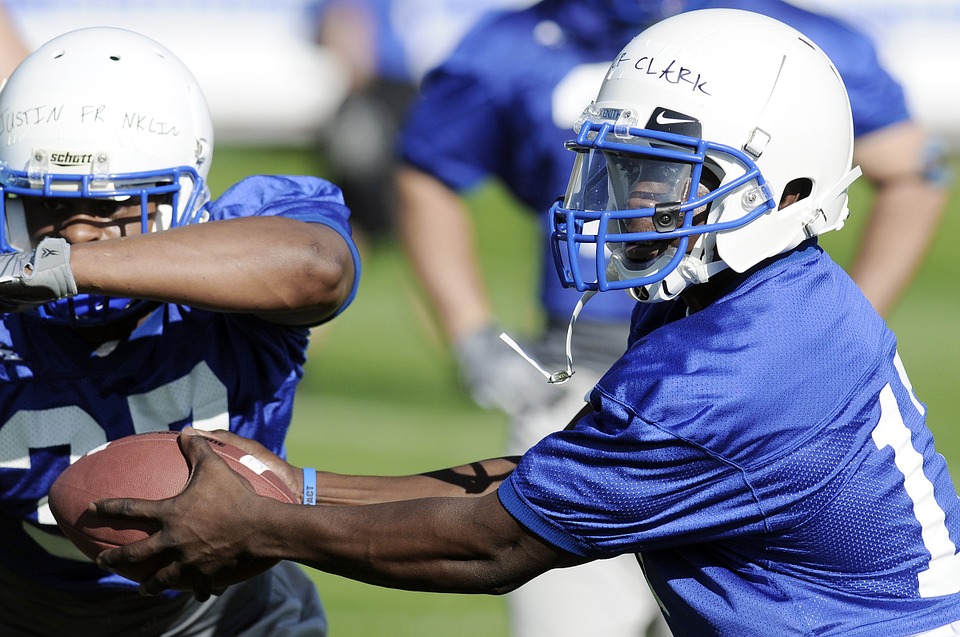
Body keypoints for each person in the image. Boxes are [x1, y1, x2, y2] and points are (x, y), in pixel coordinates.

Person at [93, 9, 960, 637]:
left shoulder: (736, 366)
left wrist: (265, 526)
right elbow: (539, 477)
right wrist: (299, 486)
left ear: (791, 188)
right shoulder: (746, 299)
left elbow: (494, 542)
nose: (624, 202)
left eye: (660, 177)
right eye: (618, 170)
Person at [395, 1, 948, 633]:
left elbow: (914, 168)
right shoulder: (517, 41)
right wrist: (470, 328)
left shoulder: (783, 48)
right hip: (584, 371)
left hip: (741, 393)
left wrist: (815, 347)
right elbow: (429, 169)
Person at [0, 26, 360, 636]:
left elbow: (317, 269)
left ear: (183, 202)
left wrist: (63, 271)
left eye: (117, 208)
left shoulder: (239, 252)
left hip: (227, 617)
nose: (79, 233)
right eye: (51, 206)